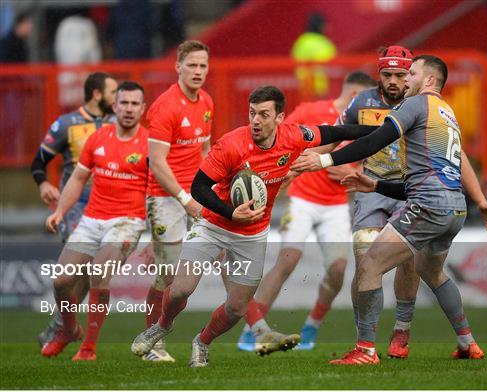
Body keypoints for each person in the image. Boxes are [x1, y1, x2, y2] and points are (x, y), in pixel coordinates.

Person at [130, 85, 374, 367]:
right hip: (213, 227)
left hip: (253, 236)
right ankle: (162, 326)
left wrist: (382, 130)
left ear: (280, 117)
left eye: (264, 114)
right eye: (252, 113)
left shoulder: (294, 135)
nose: (256, 120)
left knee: (236, 307)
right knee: (182, 288)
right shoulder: (231, 144)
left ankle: (202, 341)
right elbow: (199, 187)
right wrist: (231, 212)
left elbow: (335, 133)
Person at [291, 55, 487, 365]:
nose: (406, 80)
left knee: (370, 265)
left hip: (428, 206)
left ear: (428, 80)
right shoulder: (447, 112)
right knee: (431, 271)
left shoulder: (416, 104)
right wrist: (375, 186)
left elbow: (375, 141)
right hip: (455, 208)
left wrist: (323, 161)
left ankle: (364, 350)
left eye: (412, 73)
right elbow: (431, 173)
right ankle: (467, 342)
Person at [237, 71, 377, 351]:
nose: (370, 108)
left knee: (338, 270)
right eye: (366, 102)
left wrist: (353, 170)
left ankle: (312, 326)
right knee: (286, 262)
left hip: (337, 205)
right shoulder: (312, 111)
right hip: (301, 198)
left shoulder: (362, 126)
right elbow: (278, 139)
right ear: (354, 97)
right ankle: (252, 329)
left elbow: (373, 163)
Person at [40, 81, 149, 361]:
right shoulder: (98, 138)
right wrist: (59, 212)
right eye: (123, 103)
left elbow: (160, 191)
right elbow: (77, 179)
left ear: (142, 109)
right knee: (62, 281)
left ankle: (88, 347)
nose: (128, 108)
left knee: (99, 270)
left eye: (134, 104)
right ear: (114, 107)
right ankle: (67, 330)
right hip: (92, 219)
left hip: (128, 222)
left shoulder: (150, 145)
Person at [340, 45, 420, 359]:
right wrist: (317, 159)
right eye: (387, 74)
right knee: (364, 263)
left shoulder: (420, 104)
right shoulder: (362, 103)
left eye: (401, 74)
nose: (393, 81)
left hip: (408, 187)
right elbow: (337, 132)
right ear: (379, 74)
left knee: (409, 261)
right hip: (371, 188)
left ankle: (401, 329)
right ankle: (364, 338)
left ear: (410, 75)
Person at [31, 72, 118, 348]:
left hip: (111, 207)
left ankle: (61, 325)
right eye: (113, 92)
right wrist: (43, 183)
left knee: (92, 272)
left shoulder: (120, 123)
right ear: (96, 94)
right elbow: (38, 161)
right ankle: (63, 326)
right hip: (77, 207)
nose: (118, 99)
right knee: (76, 271)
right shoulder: (66, 124)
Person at [142, 40, 213, 362]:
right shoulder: (165, 106)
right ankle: (153, 343)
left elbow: (205, 153)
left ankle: (255, 328)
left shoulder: (207, 101)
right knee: (168, 275)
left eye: (203, 66)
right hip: (166, 200)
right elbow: (157, 162)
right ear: (178, 67)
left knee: (215, 262)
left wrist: (212, 190)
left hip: (195, 196)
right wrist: (185, 199)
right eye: (192, 65)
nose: (198, 71)